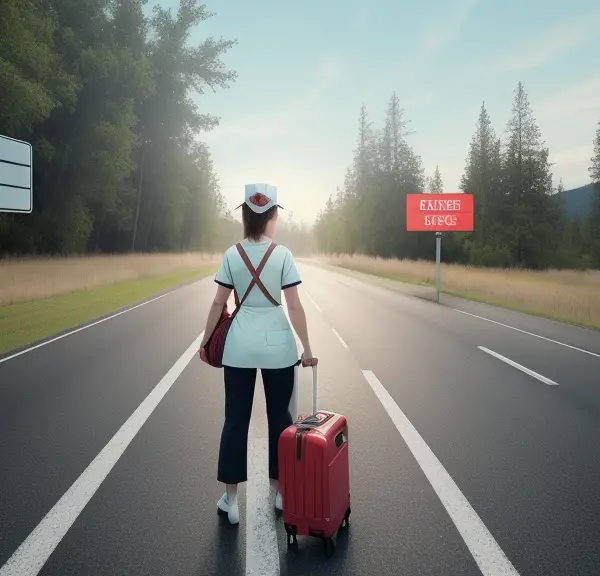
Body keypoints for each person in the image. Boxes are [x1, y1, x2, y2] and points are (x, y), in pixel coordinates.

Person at [199, 183, 318, 525]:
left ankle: (232, 501)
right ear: (271, 216)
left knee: (235, 420)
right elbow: (294, 305)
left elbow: (218, 302)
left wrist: (206, 342)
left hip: (238, 348)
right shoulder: (283, 255)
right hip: (278, 348)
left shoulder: (231, 254)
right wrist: (308, 350)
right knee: (280, 420)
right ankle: (279, 493)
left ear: (245, 215)